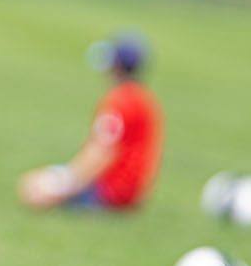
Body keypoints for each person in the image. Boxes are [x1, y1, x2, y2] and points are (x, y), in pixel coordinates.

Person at [17, 35, 163, 210]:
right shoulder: (143, 97)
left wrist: (63, 188)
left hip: (110, 191)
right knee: (40, 181)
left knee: (31, 186)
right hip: (130, 192)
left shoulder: (120, 100)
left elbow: (102, 152)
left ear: (117, 66)